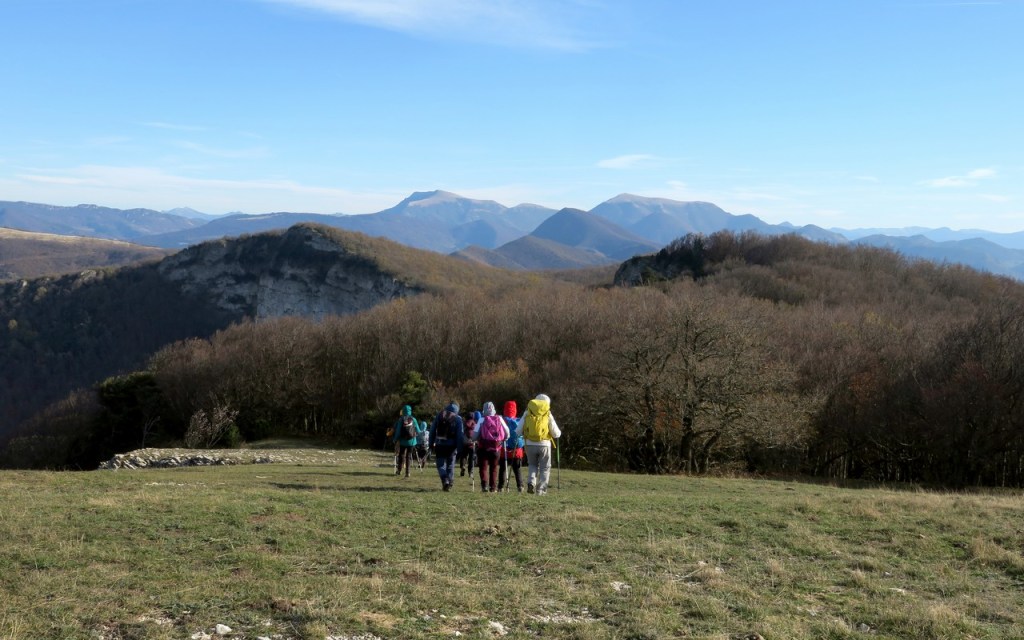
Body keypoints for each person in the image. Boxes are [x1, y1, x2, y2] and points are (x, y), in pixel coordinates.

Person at [520, 393, 561, 495]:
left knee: (532, 465)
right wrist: (558, 434)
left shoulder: (528, 412)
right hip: (544, 444)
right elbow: (556, 433)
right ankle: (541, 490)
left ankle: (531, 482)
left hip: (529, 444)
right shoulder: (548, 413)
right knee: (545, 467)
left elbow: (518, 430)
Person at [473, 401, 510, 493]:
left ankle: (484, 486)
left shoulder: (482, 419)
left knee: (483, 467)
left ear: (484, 409)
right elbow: (507, 432)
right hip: (496, 447)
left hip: (483, 447)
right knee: (494, 468)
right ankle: (493, 488)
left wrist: (476, 439)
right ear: (494, 409)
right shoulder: (499, 418)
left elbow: (475, 435)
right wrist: (504, 439)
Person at [430, 402, 465, 491]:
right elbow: (460, 436)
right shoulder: (458, 419)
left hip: (439, 444)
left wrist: (431, 443)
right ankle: (450, 482)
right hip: (451, 446)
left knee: (440, 465)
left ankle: (445, 480)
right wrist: (460, 449)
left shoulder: (439, 415)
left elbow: (432, 430)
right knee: (450, 465)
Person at [498, 400, 525, 492]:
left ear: (505, 409)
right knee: (517, 469)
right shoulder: (519, 421)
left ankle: (501, 487)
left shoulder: (502, 420)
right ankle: (520, 486)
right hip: (516, 450)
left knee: (502, 469)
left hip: (504, 449)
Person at [392, 405, 422, 478]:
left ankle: (399, 470)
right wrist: (415, 435)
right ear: (410, 411)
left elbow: (398, 431)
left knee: (401, 455)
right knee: (408, 456)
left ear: (403, 411)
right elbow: (418, 431)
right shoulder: (413, 419)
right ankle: (407, 472)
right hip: (412, 441)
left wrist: (395, 439)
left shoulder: (401, 419)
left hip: (403, 441)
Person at [458, 410, 479, 478]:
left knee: (463, 456)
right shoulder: (475, 423)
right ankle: (470, 472)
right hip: (472, 443)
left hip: (465, 442)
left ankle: (463, 466)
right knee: (471, 458)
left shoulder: (464, 423)